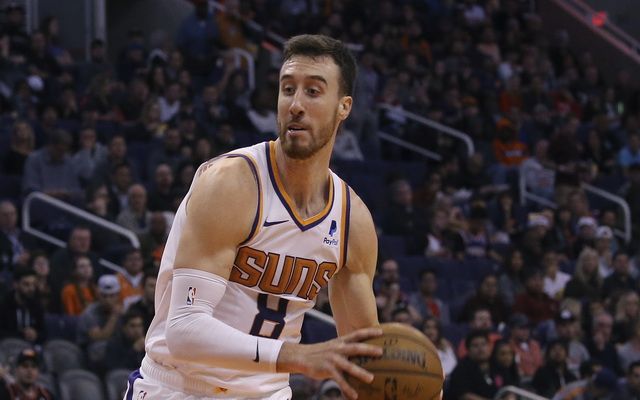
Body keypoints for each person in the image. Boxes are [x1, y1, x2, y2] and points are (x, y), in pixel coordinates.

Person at [127, 35, 382, 400]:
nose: (295, 105)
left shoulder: (352, 221)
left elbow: (364, 357)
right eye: (287, 89)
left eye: (313, 92)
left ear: (344, 107)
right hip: (179, 388)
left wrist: (406, 385)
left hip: (267, 393)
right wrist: (297, 356)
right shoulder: (231, 183)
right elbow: (183, 330)